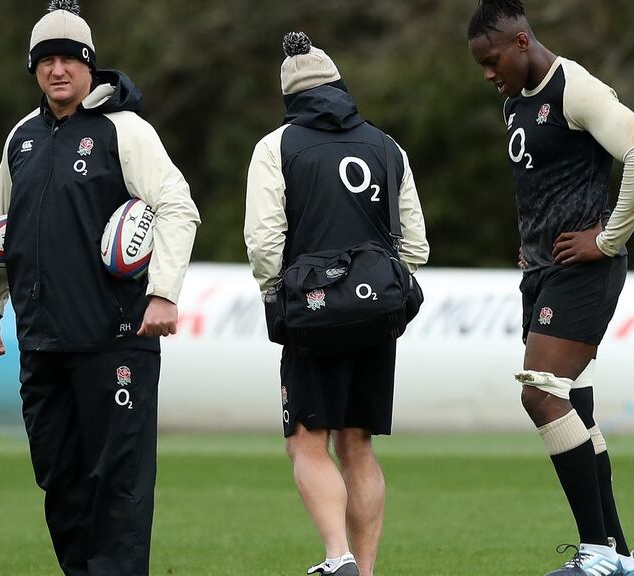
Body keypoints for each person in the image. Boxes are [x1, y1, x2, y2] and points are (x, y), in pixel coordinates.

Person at [0, 2, 200, 574]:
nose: (57, 70)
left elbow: (178, 206)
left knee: (116, 488)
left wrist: (164, 293)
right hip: (44, 341)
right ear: (34, 69)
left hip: (115, 339)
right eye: (46, 60)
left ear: (89, 66)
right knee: (60, 482)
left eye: (69, 59)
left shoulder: (124, 130)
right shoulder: (20, 139)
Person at [467, 2, 634, 575]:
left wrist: (607, 238)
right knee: (574, 403)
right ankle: (620, 556)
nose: (487, 73)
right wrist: (529, 243)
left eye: (492, 59)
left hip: (585, 270)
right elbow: (543, 183)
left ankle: (597, 553)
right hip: (544, 270)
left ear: (522, 41)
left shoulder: (575, 89)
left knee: (540, 392)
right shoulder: (515, 100)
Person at [244, 32, 429, 576]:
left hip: (312, 313)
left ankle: (337, 557)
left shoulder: (275, 146)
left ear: (290, 98)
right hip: (377, 315)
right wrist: (388, 287)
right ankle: (365, 570)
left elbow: (263, 240)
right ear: (340, 87)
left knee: (306, 440)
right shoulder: (387, 146)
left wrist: (277, 297)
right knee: (358, 443)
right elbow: (415, 243)